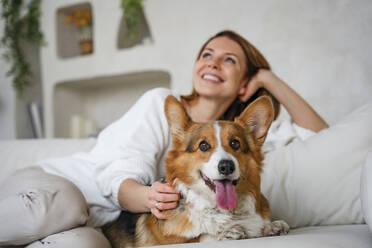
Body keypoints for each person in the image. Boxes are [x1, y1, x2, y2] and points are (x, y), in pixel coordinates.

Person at [0, 30, 328, 247]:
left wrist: (268, 79)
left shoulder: (239, 141)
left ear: (245, 81)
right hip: (56, 186)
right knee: (63, 207)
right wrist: (151, 198)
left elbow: (318, 134)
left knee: (84, 246)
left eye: (230, 59)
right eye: (207, 54)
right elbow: (117, 178)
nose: (213, 61)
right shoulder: (160, 103)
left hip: (102, 225)